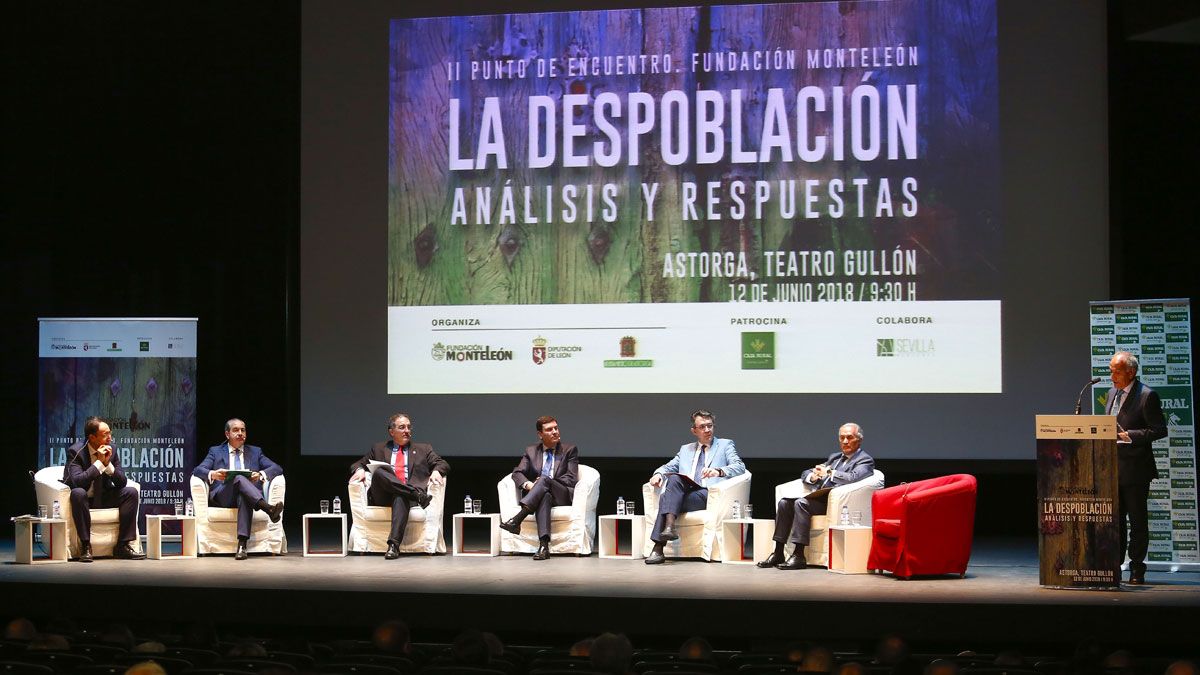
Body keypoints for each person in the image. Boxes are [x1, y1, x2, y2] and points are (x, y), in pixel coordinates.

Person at [757, 422, 875, 569]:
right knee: (784, 503)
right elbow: (806, 473)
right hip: (818, 498)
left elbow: (853, 477)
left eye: (849, 437)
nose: (845, 441)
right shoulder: (835, 458)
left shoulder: (865, 460)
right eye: (842, 438)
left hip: (836, 503)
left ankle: (799, 555)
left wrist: (830, 473)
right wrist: (812, 476)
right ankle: (778, 551)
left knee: (801, 503)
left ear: (859, 439)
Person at [644, 409, 745, 565]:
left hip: (708, 493)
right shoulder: (686, 449)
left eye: (710, 426)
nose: (707, 430)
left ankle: (658, 547)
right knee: (675, 479)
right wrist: (658, 474)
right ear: (694, 430)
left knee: (665, 498)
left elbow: (739, 467)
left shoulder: (725, 445)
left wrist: (718, 471)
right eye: (702, 427)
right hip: (687, 492)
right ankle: (669, 529)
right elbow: (669, 467)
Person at [349, 412, 449, 559]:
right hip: (383, 495)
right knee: (379, 473)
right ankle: (416, 494)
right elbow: (358, 463)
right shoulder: (378, 448)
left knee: (400, 495)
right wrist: (359, 470)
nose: (407, 431)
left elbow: (442, 463)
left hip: (404, 498)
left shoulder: (424, 449)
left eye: (409, 427)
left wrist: (436, 471)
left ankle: (393, 546)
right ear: (391, 431)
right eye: (402, 427)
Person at [1106, 351, 1167, 585]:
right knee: (1117, 523)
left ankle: (1137, 569)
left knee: (1138, 523)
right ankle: (1114, 568)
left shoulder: (1147, 395)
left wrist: (1129, 435)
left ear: (1131, 372)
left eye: (1117, 371)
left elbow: (1159, 429)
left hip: (1136, 470)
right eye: (1111, 370)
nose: (1112, 376)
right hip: (1112, 469)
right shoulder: (1111, 393)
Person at [192, 419, 284, 560]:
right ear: (227, 434)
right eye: (236, 430)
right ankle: (267, 508)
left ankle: (242, 546)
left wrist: (261, 475)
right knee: (239, 478)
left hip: (248, 497)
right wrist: (213, 474)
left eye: (243, 430)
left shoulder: (255, 452)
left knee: (244, 495)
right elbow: (198, 470)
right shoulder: (215, 451)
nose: (240, 433)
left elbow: (277, 468)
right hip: (223, 496)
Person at [63, 417, 145, 561]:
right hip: (84, 499)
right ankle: (86, 546)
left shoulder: (112, 449)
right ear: (92, 437)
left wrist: (108, 466)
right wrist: (99, 464)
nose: (110, 437)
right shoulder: (76, 452)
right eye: (105, 434)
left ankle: (122, 546)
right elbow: (77, 482)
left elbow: (122, 482)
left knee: (131, 492)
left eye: (110, 433)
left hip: (104, 497)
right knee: (78, 493)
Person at [499, 416, 579, 560]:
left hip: (562, 494)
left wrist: (546, 481)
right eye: (549, 429)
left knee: (544, 481)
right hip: (541, 494)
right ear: (540, 434)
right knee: (544, 496)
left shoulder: (569, 450)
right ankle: (544, 547)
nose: (555, 432)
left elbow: (571, 478)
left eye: (556, 428)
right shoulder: (531, 451)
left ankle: (517, 520)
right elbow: (517, 473)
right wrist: (530, 485)